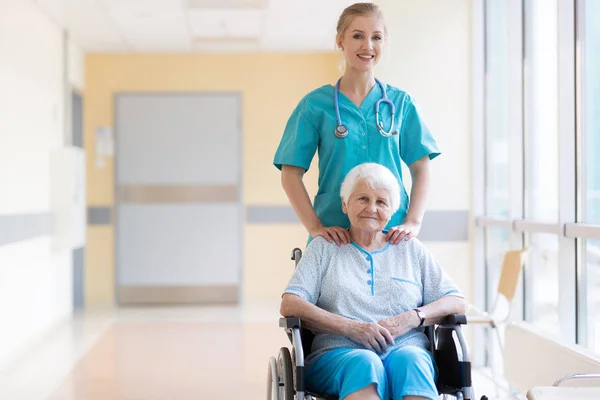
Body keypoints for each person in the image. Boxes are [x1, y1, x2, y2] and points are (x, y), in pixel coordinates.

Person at [280, 163, 466, 400]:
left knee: (412, 360)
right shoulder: (324, 248)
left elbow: (456, 301)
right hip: (339, 352)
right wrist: (351, 327)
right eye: (363, 199)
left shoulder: (409, 249)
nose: (371, 208)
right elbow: (290, 303)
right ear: (345, 205)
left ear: (391, 211)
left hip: (405, 349)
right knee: (365, 362)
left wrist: (411, 318)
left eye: (381, 202)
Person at [273, 2, 440, 246]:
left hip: (390, 236)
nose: (368, 46)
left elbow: (422, 167)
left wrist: (413, 222)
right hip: (335, 235)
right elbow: (290, 173)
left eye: (376, 37)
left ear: (384, 43)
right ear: (340, 41)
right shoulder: (315, 106)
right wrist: (316, 226)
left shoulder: (401, 104)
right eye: (358, 36)